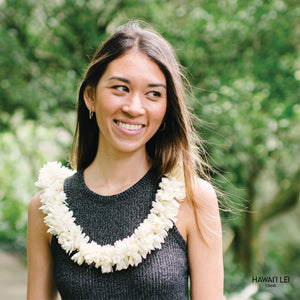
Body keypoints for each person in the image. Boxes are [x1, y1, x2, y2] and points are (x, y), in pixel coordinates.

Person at [27, 21, 223, 300]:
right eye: (121, 88)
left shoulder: (193, 199)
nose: (134, 108)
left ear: (167, 108)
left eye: (154, 94)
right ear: (90, 96)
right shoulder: (45, 208)